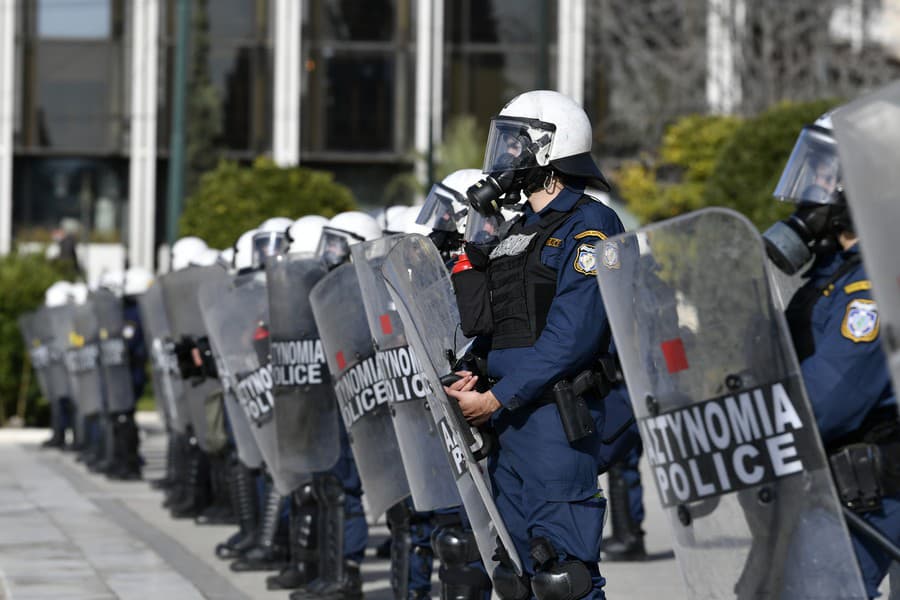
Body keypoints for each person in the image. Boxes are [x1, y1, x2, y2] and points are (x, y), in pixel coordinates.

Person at [445, 90, 638, 600]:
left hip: (555, 420)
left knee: (561, 579)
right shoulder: (515, 231)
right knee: (513, 579)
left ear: (551, 150)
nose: (505, 156)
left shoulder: (592, 226)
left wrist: (495, 398)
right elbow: (501, 323)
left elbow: (571, 338)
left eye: (516, 144)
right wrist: (473, 369)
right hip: (508, 423)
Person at [763, 112, 900, 599]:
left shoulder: (877, 280)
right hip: (824, 484)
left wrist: (751, 428)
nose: (812, 184)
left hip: (870, 491)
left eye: (824, 170)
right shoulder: (831, 272)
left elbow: (829, 398)